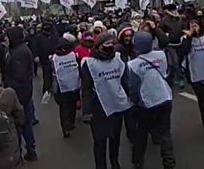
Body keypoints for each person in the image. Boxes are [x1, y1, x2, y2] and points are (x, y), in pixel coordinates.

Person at [82, 32, 133, 169]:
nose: (111, 46)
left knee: (115, 137)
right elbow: (86, 88)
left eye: (113, 44)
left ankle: (114, 162)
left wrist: (132, 99)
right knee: (100, 141)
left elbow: (125, 80)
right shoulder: (89, 63)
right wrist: (86, 111)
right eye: (107, 44)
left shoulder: (117, 59)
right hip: (98, 108)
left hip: (117, 104)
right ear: (99, 46)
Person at [128, 31, 176, 169]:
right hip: (165, 97)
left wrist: (134, 104)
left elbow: (133, 88)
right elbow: (167, 71)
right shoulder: (161, 55)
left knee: (141, 134)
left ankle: (138, 162)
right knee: (165, 132)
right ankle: (169, 162)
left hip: (146, 103)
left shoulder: (133, 65)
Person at [4, 27, 37, 161]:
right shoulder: (17, 50)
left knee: (21, 125)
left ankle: (25, 151)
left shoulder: (20, 53)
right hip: (21, 93)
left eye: (7, 37)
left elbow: (20, 77)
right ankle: (28, 150)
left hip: (19, 95)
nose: (5, 39)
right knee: (24, 124)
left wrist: (10, 92)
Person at [180, 19, 204, 135]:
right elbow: (184, 51)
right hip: (195, 73)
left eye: (195, 24)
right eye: (191, 25)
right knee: (201, 97)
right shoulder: (186, 39)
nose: (193, 27)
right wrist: (190, 36)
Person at [45, 37, 80, 138]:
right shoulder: (53, 59)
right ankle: (67, 127)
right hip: (63, 87)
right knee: (66, 107)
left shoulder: (72, 56)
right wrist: (48, 87)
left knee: (68, 107)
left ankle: (69, 125)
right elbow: (48, 73)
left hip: (70, 87)